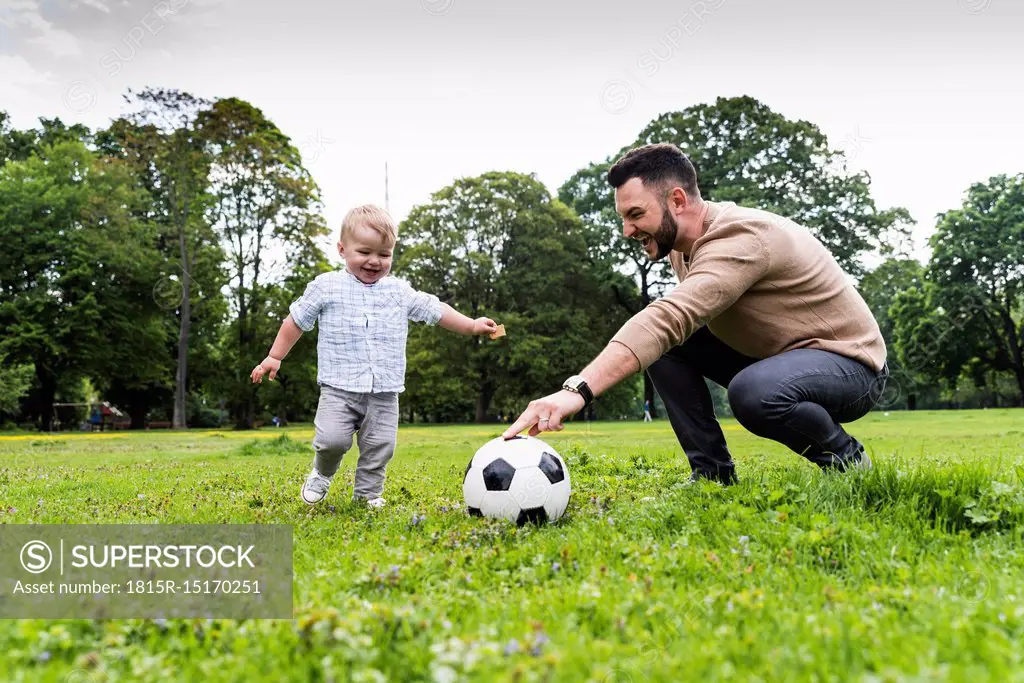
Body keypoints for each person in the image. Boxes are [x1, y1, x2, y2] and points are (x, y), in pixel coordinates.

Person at [503, 143, 888, 484]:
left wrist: (577, 390)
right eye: (623, 217)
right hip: (782, 358)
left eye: (636, 214)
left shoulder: (740, 238)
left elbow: (671, 315)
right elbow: (668, 327)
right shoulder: (679, 245)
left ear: (677, 200)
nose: (626, 230)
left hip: (852, 369)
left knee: (752, 391)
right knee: (666, 348)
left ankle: (849, 464)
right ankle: (712, 475)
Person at [251, 204, 499, 507]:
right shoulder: (325, 286)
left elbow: (436, 310)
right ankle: (322, 472)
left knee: (379, 446)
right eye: (364, 252)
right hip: (338, 387)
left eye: (384, 255)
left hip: (384, 389)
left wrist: (471, 325)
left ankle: (367, 495)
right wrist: (275, 357)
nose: (374, 261)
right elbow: (295, 321)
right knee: (331, 441)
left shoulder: (398, 291)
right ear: (342, 249)